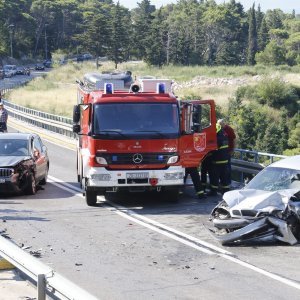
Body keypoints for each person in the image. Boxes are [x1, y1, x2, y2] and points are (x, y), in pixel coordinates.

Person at [208, 123, 230, 196]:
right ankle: (226, 191)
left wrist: (209, 153)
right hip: (225, 160)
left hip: (217, 161)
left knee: (215, 177)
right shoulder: (224, 135)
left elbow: (214, 148)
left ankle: (213, 191)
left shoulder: (218, 138)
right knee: (224, 177)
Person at [217, 118, 236, 183]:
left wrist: (233, 149)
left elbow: (234, 139)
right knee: (221, 167)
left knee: (227, 166)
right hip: (220, 152)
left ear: (224, 124)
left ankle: (228, 181)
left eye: (221, 125)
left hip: (228, 151)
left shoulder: (229, 129)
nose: (220, 126)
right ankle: (222, 181)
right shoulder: (218, 129)